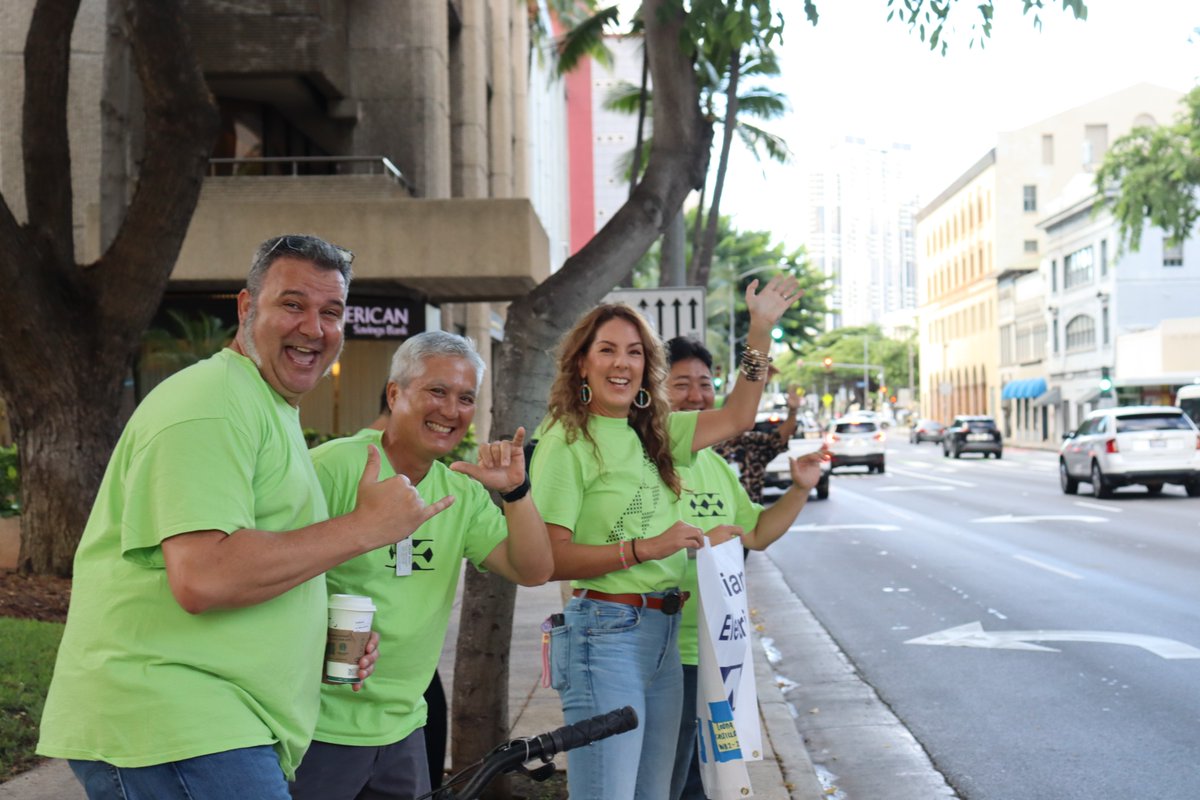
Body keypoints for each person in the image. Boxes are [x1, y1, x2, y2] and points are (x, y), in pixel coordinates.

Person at [37, 234, 454, 800]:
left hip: (215, 727)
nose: (314, 328)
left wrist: (321, 632)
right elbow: (204, 575)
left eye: (331, 311)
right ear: (245, 307)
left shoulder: (266, 406)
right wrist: (365, 527)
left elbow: (254, 555)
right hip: (179, 725)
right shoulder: (211, 403)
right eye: (292, 304)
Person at [531, 275, 801, 799]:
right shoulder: (565, 441)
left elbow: (740, 415)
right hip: (604, 636)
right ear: (582, 363)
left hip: (665, 637)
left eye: (634, 352)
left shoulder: (655, 433)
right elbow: (546, 560)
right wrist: (645, 548)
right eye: (606, 349)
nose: (621, 362)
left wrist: (760, 332)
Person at [292, 331, 554, 800]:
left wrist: (516, 492)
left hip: (405, 727)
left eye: (465, 397)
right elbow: (269, 569)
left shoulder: (462, 490)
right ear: (396, 393)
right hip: (318, 727)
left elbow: (533, 570)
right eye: (437, 391)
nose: (451, 410)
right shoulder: (332, 468)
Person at [664, 337, 826, 800]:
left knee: (711, 780)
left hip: (719, 658)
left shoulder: (716, 466)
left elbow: (755, 533)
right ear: (656, 390)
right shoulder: (646, 464)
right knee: (668, 782)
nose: (696, 395)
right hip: (664, 654)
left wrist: (798, 490)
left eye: (704, 384)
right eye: (681, 384)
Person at [713, 366, 801, 505]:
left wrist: (793, 411)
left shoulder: (751, 442)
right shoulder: (705, 445)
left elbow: (779, 438)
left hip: (751, 523)